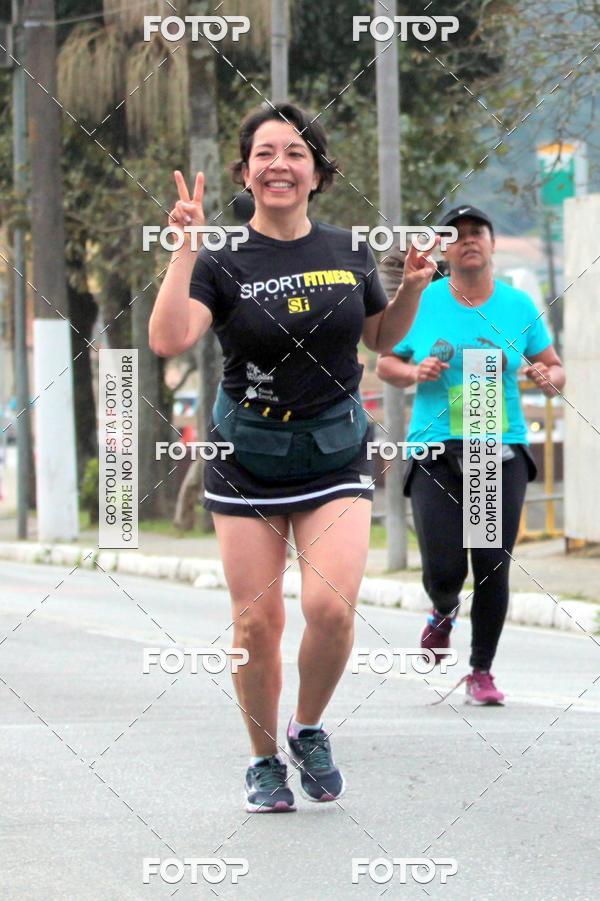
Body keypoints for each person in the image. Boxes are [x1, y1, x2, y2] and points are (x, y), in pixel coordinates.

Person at [149, 103, 437, 811]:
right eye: (265, 153)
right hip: (246, 453)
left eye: (296, 153)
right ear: (246, 171)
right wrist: (184, 248)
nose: (280, 164)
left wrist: (412, 288)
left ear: (317, 172)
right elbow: (169, 339)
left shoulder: (348, 248)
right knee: (257, 623)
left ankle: (307, 727)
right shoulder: (221, 258)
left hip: (334, 449)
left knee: (330, 608)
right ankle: (262, 760)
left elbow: (379, 337)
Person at [376, 205, 565, 705]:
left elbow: (553, 367)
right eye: (456, 235)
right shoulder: (423, 300)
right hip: (435, 445)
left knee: (490, 562)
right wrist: (414, 372)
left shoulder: (518, 305)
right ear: (445, 250)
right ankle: (442, 609)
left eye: (477, 232)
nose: (468, 240)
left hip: (495, 445)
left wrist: (545, 377)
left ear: (492, 243)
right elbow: (385, 362)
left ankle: (481, 670)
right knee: (444, 566)